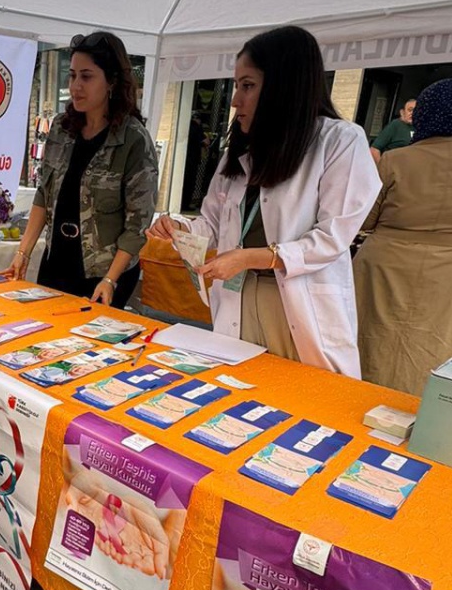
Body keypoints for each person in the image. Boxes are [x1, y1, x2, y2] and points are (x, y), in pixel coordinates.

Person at [148, 25, 381, 376]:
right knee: (238, 397)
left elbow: (332, 238)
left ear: (284, 88)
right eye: (237, 85)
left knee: (299, 402)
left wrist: (252, 258)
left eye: (248, 86)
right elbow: (211, 222)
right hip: (239, 298)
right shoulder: (241, 150)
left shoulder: (340, 142)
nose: (235, 100)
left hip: (297, 304)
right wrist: (178, 226)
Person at [354, 77, 452, 396]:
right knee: (432, 343)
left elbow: (366, 219)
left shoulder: (396, 160)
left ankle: (354, 406)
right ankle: (416, 411)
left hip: (385, 265)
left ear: (425, 116)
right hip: (451, 267)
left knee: (371, 340)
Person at [9, 31, 158, 306]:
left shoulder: (133, 140)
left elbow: (137, 224)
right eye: (73, 75)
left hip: (104, 273)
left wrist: (111, 279)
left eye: (87, 76)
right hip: (57, 262)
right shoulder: (61, 128)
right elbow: (44, 193)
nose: (76, 85)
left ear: (112, 81)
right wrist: (23, 252)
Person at [370, 98, 415, 163]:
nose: (412, 113)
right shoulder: (395, 125)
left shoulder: (421, 128)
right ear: (402, 112)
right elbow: (374, 149)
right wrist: (381, 170)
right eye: (410, 110)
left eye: (416, 110)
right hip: (393, 169)